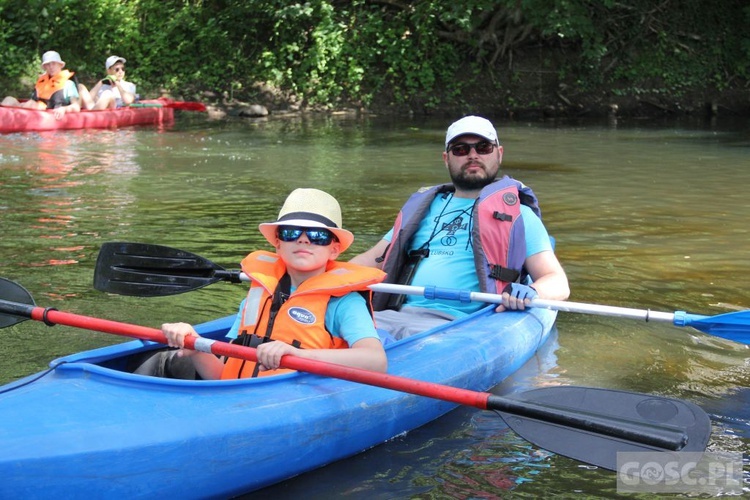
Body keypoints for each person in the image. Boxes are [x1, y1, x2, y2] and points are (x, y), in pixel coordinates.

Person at [350, 115, 570, 339]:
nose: (473, 155)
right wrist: (323, 275)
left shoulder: (519, 216)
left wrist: (532, 291)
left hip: (462, 327)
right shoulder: (421, 209)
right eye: (461, 149)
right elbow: (370, 259)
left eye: (483, 147)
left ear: (499, 154)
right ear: (447, 158)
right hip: (391, 317)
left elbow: (558, 282)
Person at [144, 188, 388, 380]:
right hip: (239, 398)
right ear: (278, 244)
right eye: (291, 232)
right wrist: (195, 345)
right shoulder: (257, 297)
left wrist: (299, 355)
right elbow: (223, 376)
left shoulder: (344, 302)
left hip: (294, 401)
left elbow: (376, 361)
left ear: (334, 250)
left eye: (318, 235)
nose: (303, 240)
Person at [1, 50, 81, 120]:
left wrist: (63, 109)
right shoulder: (42, 80)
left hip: (48, 112)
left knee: (31, 104)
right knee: (9, 99)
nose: (51, 67)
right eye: (48, 64)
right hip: (32, 108)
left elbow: (76, 107)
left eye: (53, 63)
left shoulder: (68, 84)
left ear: (60, 65)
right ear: (45, 67)